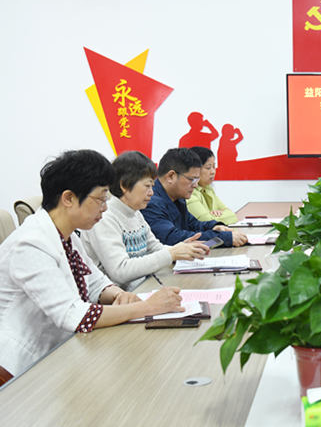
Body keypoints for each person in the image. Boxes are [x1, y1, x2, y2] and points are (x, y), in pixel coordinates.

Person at [0, 150, 184, 385]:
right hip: (20, 367)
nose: (105, 208)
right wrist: (147, 307)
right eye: (101, 199)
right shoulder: (30, 243)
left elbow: (94, 280)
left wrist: (117, 295)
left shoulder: (65, 233)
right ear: (68, 198)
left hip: (62, 349)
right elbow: (72, 315)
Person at [81, 151, 209, 290]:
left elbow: (155, 248)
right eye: (147, 186)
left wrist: (182, 249)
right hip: (118, 297)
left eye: (152, 186)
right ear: (124, 185)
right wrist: (171, 253)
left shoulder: (136, 213)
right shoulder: (104, 218)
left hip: (142, 288)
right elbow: (120, 271)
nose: (151, 192)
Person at [141, 148, 247, 247]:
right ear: (171, 176)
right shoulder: (150, 202)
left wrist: (214, 226)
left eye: (197, 180)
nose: (196, 185)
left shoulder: (178, 198)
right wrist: (223, 238)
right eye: (192, 179)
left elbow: (193, 224)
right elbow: (172, 238)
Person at [186, 146, 238, 225]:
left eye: (213, 167)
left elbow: (233, 216)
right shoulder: (189, 192)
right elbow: (207, 221)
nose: (213, 171)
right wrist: (216, 216)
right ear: (195, 169)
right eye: (208, 168)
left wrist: (214, 215)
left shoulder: (208, 188)